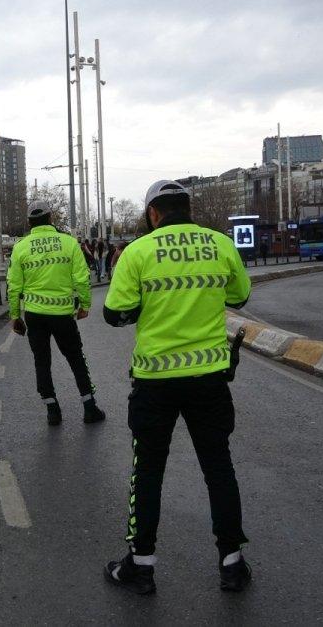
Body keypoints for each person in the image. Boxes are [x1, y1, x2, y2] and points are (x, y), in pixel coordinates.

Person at [101, 180, 253, 596]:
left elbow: (115, 315)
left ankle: (142, 567)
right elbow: (240, 297)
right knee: (218, 467)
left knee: (148, 472)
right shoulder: (220, 244)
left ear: (153, 213)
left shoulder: (138, 252)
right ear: (187, 208)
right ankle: (232, 564)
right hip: (210, 380)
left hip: (154, 382)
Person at [6, 200, 104, 426]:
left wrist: (15, 315)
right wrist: (84, 305)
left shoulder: (21, 247)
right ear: (51, 218)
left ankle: (52, 410)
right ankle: (89, 407)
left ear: (29, 222)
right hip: (62, 314)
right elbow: (81, 277)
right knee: (76, 358)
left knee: (42, 362)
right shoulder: (69, 243)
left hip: (34, 315)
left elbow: (14, 286)